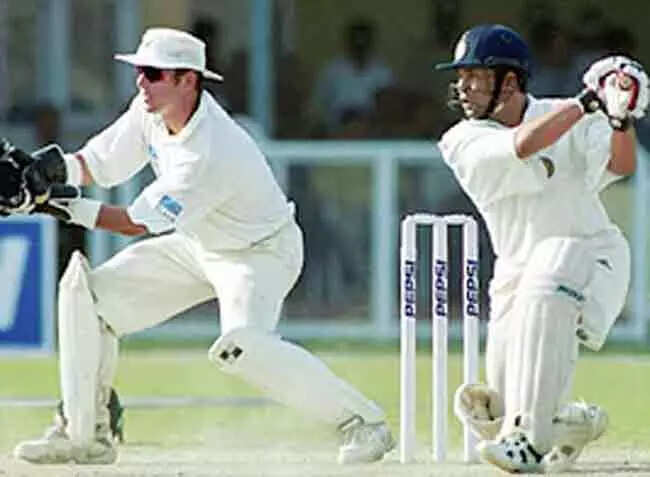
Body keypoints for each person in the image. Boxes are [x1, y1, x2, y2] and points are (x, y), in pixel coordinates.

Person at [4, 28, 394, 465]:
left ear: (188, 80)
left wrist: (50, 203)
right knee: (88, 297)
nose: (141, 82)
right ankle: (84, 430)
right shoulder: (150, 110)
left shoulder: (208, 150)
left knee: (243, 348)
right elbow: (98, 163)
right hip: (197, 244)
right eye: (139, 71)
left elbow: (134, 223)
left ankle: (364, 422)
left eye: (153, 73)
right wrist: (44, 171)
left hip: (258, 254)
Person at [434, 24, 647, 473]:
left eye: (474, 76)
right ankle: (572, 425)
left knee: (553, 267)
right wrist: (588, 101)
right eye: (461, 77)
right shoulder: (461, 141)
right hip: (516, 277)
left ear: (508, 82)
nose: (463, 87)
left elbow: (623, 163)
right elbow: (523, 144)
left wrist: (619, 119)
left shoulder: (566, 114)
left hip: (593, 258)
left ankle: (529, 443)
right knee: (492, 412)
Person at [310, 17, 394, 136]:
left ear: (370, 43)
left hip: (371, 132)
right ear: (348, 42)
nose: (359, 46)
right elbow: (318, 105)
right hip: (337, 131)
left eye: (363, 42)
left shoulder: (383, 72)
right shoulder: (332, 70)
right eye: (356, 41)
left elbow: (389, 108)